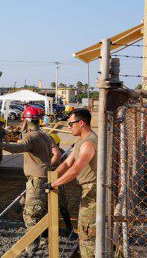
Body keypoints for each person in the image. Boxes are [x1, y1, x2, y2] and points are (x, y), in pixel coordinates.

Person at [0, 106, 61, 256]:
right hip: (44, 177)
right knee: (42, 212)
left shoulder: (31, 138)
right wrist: (49, 165)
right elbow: (57, 154)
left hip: (36, 181)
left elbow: (18, 147)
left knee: (30, 215)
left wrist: (0, 144)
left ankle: (32, 245)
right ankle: (44, 241)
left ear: (26, 120)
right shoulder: (44, 135)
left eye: (23, 119)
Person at [45, 108, 97, 257]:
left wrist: (54, 184)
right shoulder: (80, 142)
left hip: (93, 190)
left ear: (81, 123)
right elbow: (67, 164)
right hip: (87, 190)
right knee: (83, 229)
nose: (68, 127)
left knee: (88, 234)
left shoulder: (89, 143)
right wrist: (51, 176)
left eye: (70, 124)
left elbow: (75, 170)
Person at [49, 133, 75, 237]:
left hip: (56, 181)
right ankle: (68, 228)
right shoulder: (60, 152)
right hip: (58, 182)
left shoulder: (58, 153)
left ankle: (68, 228)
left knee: (59, 205)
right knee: (62, 206)